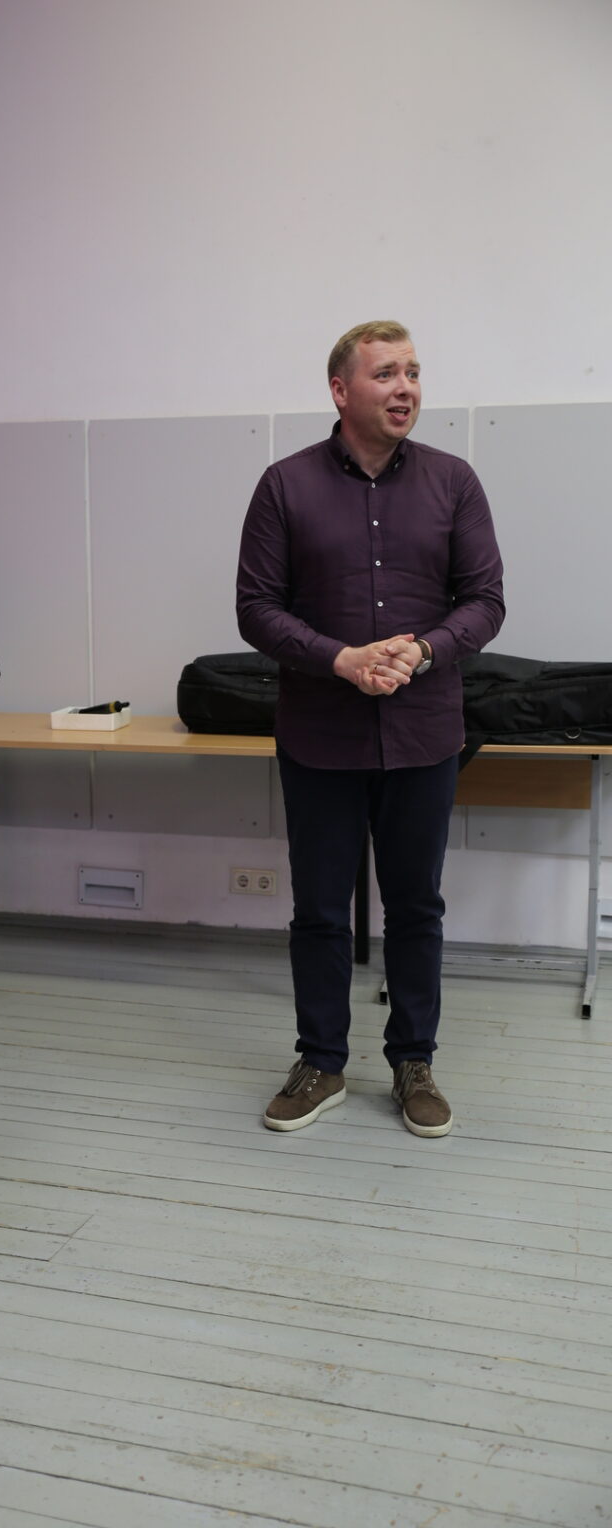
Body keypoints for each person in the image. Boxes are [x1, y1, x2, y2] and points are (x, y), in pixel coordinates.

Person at [236, 321, 504, 1139]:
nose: (405, 387)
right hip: (320, 734)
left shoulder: (454, 481)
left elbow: (485, 601)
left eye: (413, 372)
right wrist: (342, 659)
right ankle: (321, 1062)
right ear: (340, 389)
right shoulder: (284, 485)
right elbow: (256, 609)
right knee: (320, 908)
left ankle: (413, 1062)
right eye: (386, 373)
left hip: (424, 733)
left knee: (416, 905)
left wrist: (422, 651)